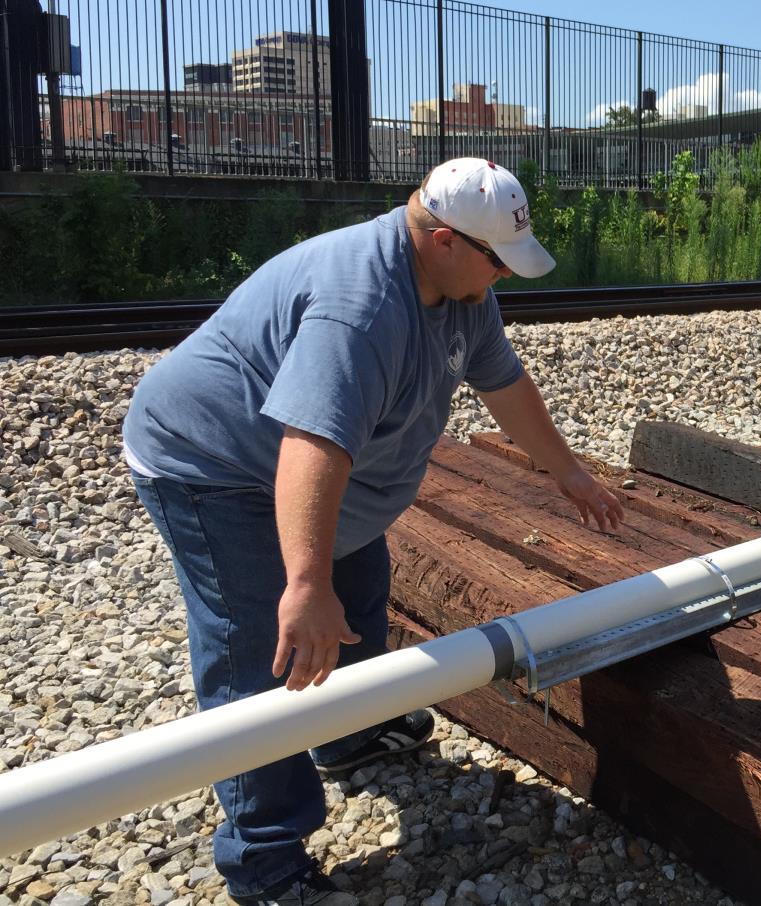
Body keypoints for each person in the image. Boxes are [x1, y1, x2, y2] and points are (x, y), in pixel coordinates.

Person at [122, 158, 624, 906]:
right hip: (213, 464)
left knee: (357, 601)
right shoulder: (360, 308)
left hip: (315, 475)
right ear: (445, 240)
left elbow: (506, 386)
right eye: (497, 261)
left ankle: (345, 733)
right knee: (260, 645)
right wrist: (301, 583)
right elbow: (310, 448)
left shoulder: (463, 293)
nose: (504, 278)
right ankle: (264, 859)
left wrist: (570, 474)